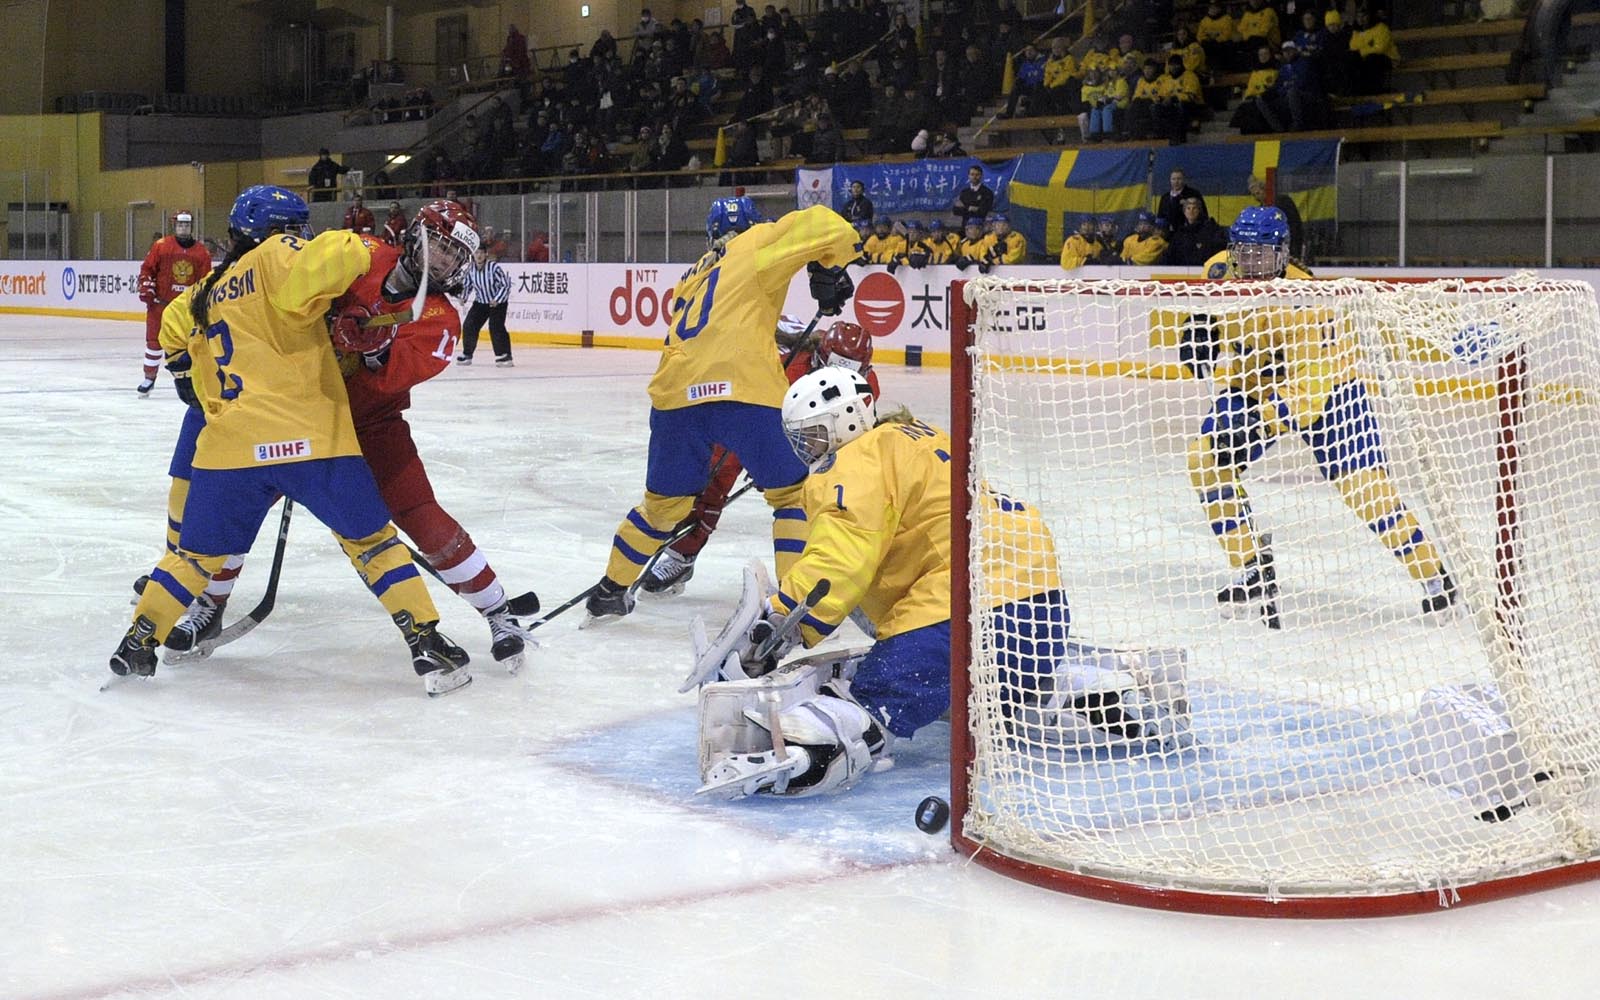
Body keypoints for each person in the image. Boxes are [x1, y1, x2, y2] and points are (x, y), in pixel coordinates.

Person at [688, 369, 1154, 800]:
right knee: (980, 687)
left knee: (877, 695)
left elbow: (841, 556)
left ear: (846, 420)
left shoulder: (855, 460)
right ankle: (1073, 685)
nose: (809, 449)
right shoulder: (921, 437)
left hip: (969, 611)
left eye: (813, 435)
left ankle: (811, 755)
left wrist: (781, 621)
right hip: (1041, 607)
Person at [110, 185, 470, 696]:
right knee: (371, 543)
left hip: (228, 447)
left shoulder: (207, 288)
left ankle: (137, 643)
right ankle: (427, 642)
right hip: (311, 439)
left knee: (192, 558)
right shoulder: (281, 255)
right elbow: (340, 256)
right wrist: (374, 257)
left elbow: (171, 323)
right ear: (282, 231)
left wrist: (182, 369)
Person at [174, 201, 536, 674]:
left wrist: (373, 350)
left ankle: (498, 611)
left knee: (419, 514)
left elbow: (390, 379)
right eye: (437, 245)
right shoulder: (363, 254)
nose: (442, 261)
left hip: (371, 427)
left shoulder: (441, 320)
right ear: (415, 236)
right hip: (296, 414)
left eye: (453, 256)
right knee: (237, 507)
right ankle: (210, 603)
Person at [583, 197, 859, 622]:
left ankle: (610, 590)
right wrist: (828, 268)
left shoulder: (692, 275)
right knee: (792, 495)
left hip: (675, 397)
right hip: (743, 388)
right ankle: (793, 605)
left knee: (662, 508)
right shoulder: (758, 241)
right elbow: (829, 223)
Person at [1185, 206, 1457, 630]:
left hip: (1331, 392)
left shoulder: (1308, 301)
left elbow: (1307, 397)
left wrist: (1257, 422)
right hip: (1254, 383)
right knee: (1205, 460)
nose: (1251, 264)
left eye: (1262, 255)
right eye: (1244, 253)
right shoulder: (1217, 271)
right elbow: (1209, 315)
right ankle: (1252, 569)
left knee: (1369, 494)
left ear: (1283, 255)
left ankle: (1435, 578)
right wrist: (1198, 329)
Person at [640, 318, 881, 596]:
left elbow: (852, 435)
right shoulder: (789, 367)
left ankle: (817, 569)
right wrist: (768, 459)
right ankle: (682, 554)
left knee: (828, 498)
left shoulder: (868, 388)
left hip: (821, 447)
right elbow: (762, 415)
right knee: (716, 471)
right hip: (770, 429)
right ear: (818, 358)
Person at [136, 210, 211, 395]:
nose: (183, 228)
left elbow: (205, 280)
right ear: (174, 226)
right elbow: (147, 269)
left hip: (186, 309)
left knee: (191, 344)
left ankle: (193, 380)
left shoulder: (201, 252)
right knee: (154, 342)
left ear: (191, 227)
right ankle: (149, 378)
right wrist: (146, 286)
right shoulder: (161, 246)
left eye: (186, 225)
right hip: (160, 305)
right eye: (180, 225)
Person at [458, 244, 514, 367]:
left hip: (497, 303)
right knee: (469, 325)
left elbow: (505, 285)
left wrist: (497, 299)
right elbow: (467, 285)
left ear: (486, 254)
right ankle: (467, 354)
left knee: (495, 327)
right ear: (473, 255)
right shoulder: (470, 269)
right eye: (476, 253)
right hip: (481, 302)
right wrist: (464, 297)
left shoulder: (494, 268)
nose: (479, 255)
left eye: (481, 253)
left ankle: (504, 355)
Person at [1247, 173, 1305, 262]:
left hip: (1288, 245)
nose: (1256, 198)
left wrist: (1295, 248)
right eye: (1254, 195)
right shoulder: (1260, 210)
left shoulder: (1284, 201)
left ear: (1265, 189)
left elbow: (1295, 225)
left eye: (1258, 193)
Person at [1168, 195, 1227, 267]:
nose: (1191, 211)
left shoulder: (1210, 229)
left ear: (1199, 210)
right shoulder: (1180, 233)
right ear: (1184, 212)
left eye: (1194, 208)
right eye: (1188, 208)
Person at [1156, 168, 1206, 232]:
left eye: (1179, 179)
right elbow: (1160, 217)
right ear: (1170, 180)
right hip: (1168, 233)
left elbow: (1203, 214)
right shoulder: (1165, 197)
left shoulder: (1193, 194)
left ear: (1184, 180)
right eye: (1173, 179)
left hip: (1188, 232)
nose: (1176, 182)